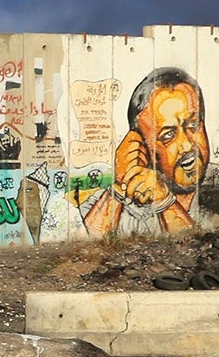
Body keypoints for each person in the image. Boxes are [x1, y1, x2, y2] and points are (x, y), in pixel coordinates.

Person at [80, 68, 209, 237]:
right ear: (142, 147)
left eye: (193, 125)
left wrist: (165, 202)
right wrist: (119, 187)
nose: (186, 145)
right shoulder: (106, 202)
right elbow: (88, 241)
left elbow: (196, 247)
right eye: (168, 135)